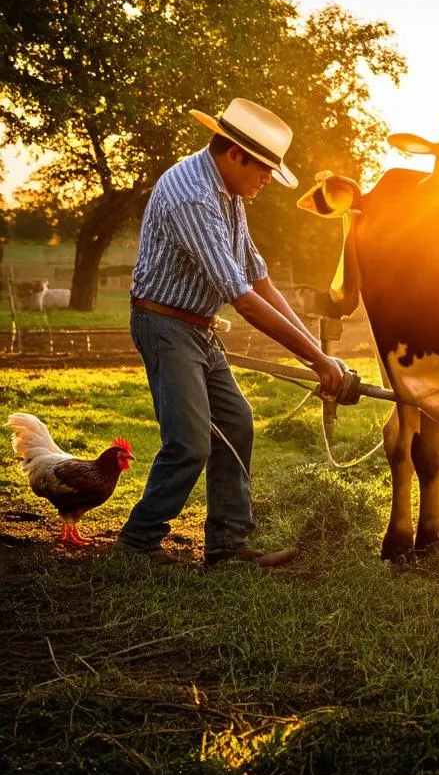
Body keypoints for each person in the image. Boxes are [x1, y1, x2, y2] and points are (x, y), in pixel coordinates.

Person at [116, 98, 349, 567]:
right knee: (189, 443)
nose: (268, 180)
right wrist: (319, 361)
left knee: (236, 422)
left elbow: (259, 279)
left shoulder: (230, 194)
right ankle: (138, 542)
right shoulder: (194, 197)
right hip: (165, 323)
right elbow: (242, 299)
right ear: (236, 154)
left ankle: (226, 546)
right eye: (264, 169)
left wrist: (316, 356)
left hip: (197, 326)